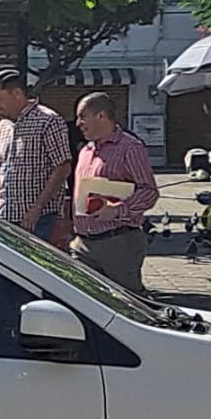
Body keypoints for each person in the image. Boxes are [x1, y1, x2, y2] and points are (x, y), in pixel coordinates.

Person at [65, 93, 159, 293]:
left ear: (101, 116)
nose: (78, 123)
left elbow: (149, 191)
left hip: (117, 243)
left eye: (82, 116)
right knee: (83, 301)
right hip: (82, 242)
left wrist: (117, 210)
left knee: (128, 302)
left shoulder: (129, 147)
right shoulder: (86, 151)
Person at [0, 70, 73, 246]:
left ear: (16, 94)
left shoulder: (48, 121)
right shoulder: (3, 126)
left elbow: (62, 167)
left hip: (37, 218)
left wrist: (36, 209)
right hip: (4, 215)